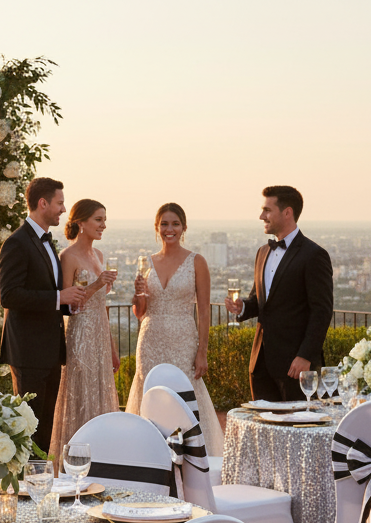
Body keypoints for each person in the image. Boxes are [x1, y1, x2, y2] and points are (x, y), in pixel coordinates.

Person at [124, 203, 224, 454]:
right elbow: (140, 312)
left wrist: (202, 351)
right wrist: (138, 295)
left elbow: (203, 311)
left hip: (183, 340)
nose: (170, 229)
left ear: (184, 227)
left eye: (175, 224)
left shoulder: (196, 262)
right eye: (164, 224)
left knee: (185, 395)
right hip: (151, 339)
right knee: (150, 395)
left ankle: (194, 457)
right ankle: (148, 455)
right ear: (157, 228)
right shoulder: (146, 263)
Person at [0, 177, 87, 453]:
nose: (63, 209)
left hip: (50, 350)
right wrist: (59, 297)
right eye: (60, 203)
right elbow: (9, 296)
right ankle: (25, 487)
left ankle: (39, 486)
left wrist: (66, 305)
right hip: (28, 352)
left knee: (45, 428)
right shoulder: (17, 243)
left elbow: (49, 293)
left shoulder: (49, 243)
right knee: (28, 429)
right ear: (43, 203)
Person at [225, 185, 333, 401]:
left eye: (267, 210)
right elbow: (259, 301)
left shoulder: (314, 255)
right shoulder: (263, 252)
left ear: (287, 212)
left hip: (296, 365)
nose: (261, 216)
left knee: (297, 428)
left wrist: (305, 356)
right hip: (261, 363)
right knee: (265, 429)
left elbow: (321, 312)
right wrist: (243, 307)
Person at [49, 199, 120, 463]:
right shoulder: (68, 257)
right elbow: (69, 304)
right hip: (80, 336)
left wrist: (112, 349)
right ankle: (76, 461)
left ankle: (102, 457)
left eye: (104, 219)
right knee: (81, 394)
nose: (103, 225)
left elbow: (102, 308)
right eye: (98, 220)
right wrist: (97, 284)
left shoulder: (98, 256)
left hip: (100, 336)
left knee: (101, 394)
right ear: (81, 222)